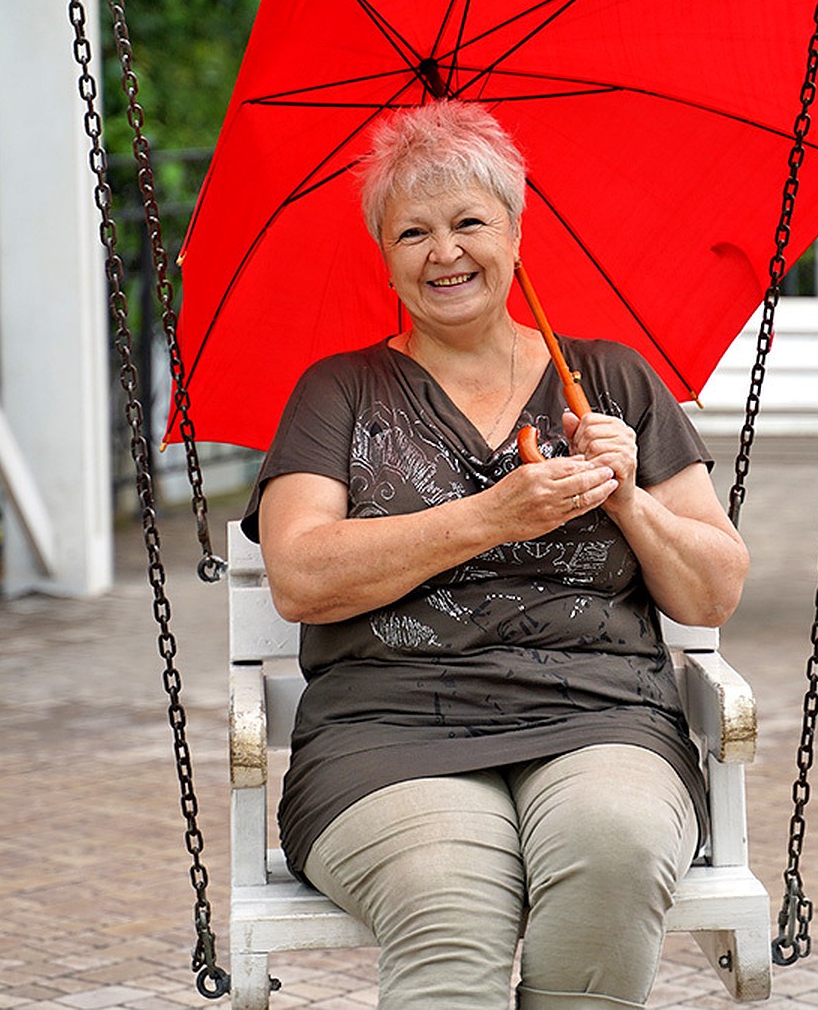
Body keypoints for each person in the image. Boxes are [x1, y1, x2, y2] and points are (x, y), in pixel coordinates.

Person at [243, 100, 749, 1010]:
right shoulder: (338, 392)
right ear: (386, 255)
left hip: (602, 718)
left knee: (617, 849)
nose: (446, 252)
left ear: (516, 233)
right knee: (449, 898)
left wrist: (630, 498)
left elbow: (711, 591)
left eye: (471, 222)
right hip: (387, 734)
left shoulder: (613, 382)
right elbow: (301, 575)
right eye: (413, 232)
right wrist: (489, 516)